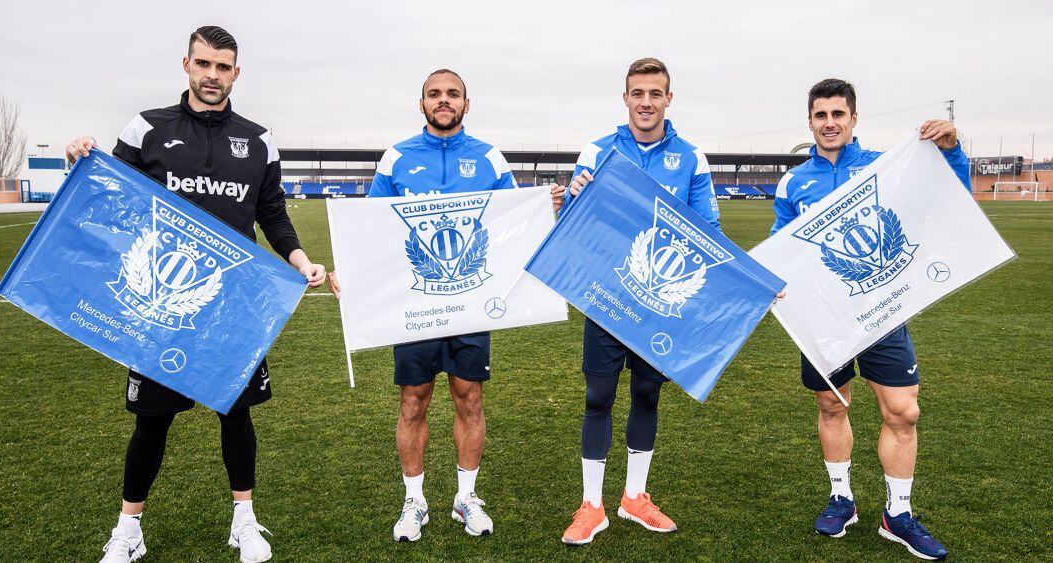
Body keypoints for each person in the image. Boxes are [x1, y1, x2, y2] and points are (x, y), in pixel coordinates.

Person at [66, 25, 326, 563]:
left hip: (233, 306)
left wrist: (301, 261)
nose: (213, 75)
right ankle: (128, 531)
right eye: (203, 64)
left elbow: (271, 212)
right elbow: (111, 195)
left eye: (223, 66)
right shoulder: (147, 127)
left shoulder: (258, 139)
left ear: (237, 72)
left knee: (236, 413)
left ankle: (245, 522)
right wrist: (80, 159)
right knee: (152, 420)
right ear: (186, 64)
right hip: (160, 301)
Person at [327, 68, 541, 542]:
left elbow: (513, 224)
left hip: (471, 305)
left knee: (469, 397)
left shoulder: (489, 157)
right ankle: (415, 501)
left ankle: (465, 498)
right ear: (421, 103)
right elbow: (372, 230)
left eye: (452, 94)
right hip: (414, 306)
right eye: (434, 94)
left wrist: (544, 206)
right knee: (413, 400)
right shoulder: (396, 158)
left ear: (467, 103)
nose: (443, 101)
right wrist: (349, 269)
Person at [769, 78, 969, 561]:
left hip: (881, 311)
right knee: (833, 407)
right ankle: (842, 499)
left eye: (838, 114)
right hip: (822, 319)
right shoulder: (794, 182)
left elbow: (952, 194)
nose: (830, 123)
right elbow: (780, 242)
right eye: (821, 115)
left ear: (854, 119)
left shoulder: (885, 166)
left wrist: (953, 149)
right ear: (811, 121)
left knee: (903, 411)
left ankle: (897, 513)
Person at [551, 58, 720, 546]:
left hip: (661, 303)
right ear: (624, 98)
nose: (646, 102)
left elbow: (709, 231)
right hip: (608, 298)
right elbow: (572, 229)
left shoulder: (691, 157)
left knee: (648, 394)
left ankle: (634, 497)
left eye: (655, 93)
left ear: (669, 99)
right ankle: (591, 506)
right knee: (597, 397)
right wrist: (570, 200)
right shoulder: (597, 150)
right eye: (637, 93)